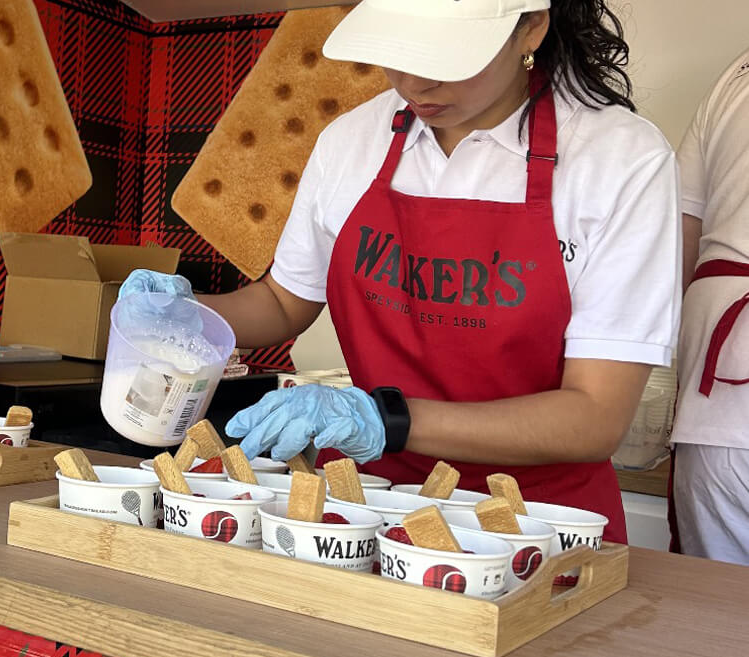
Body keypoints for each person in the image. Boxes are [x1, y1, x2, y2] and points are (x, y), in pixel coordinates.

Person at [122, 0, 680, 544]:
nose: (415, 83)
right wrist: (186, 314)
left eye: (445, 57)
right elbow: (282, 303)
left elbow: (595, 415)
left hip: (538, 522)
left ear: (530, 28)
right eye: (396, 51)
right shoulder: (352, 141)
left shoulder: (619, 160)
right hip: (363, 504)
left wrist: (383, 419)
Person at [669, 47, 749, 565]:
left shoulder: (737, 73)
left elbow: (679, 231)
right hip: (720, 380)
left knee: (720, 607)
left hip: (719, 393)